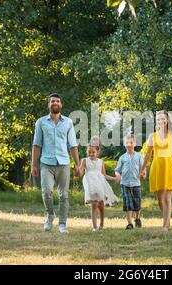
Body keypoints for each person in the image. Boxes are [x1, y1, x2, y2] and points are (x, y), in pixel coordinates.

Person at [30, 93, 80, 234]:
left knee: (64, 195)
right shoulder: (41, 122)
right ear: (49, 104)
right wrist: (33, 165)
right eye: (52, 101)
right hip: (46, 163)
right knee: (47, 192)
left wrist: (77, 164)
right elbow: (36, 145)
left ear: (61, 104)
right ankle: (49, 215)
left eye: (57, 101)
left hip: (63, 163)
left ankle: (62, 224)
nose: (55, 103)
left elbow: (73, 145)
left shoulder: (68, 122)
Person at [140, 110, 172, 231]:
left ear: (167, 120)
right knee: (160, 200)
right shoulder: (152, 136)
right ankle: (167, 219)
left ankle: (165, 225)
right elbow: (148, 155)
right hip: (157, 167)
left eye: (163, 118)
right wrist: (143, 169)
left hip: (169, 167)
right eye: (158, 119)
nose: (160, 121)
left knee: (167, 198)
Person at [78, 136, 119, 231]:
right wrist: (78, 171)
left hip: (100, 184)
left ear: (97, 152)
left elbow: (104, 175)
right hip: (90, 184)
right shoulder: (84, 160)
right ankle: (94, 226)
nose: (91, 154)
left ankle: (101, 224)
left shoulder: (101, 162)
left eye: (93, 152)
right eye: (89, 152)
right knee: (94, 204)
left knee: (101, 204)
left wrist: (114, 178)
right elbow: (80, 171)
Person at [115, 134, 146, 230]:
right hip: (125, 183)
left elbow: (143, 167)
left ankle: (137, 218)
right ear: (124, 144)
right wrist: (118, 175)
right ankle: (129, 223)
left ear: (135, 143)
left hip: (136, 183)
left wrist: (143, 174)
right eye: (127, 142)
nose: (129, 144)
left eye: (131, 142)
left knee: (137, 203)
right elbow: (117, 170)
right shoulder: (122, 157)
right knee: (127, 204)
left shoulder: (139, 156)